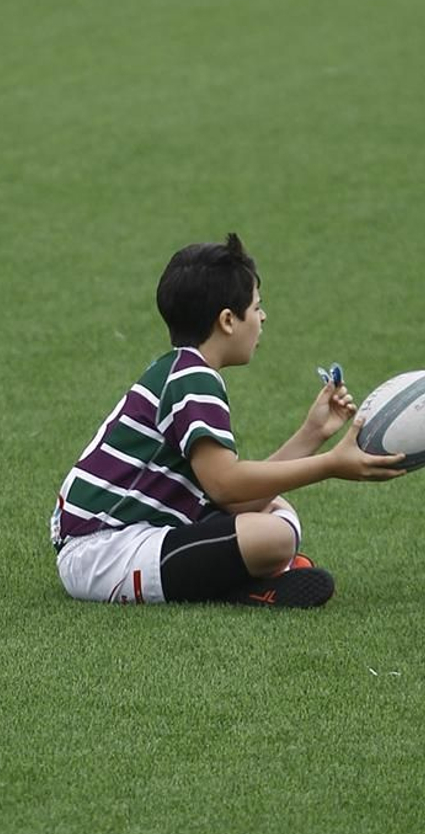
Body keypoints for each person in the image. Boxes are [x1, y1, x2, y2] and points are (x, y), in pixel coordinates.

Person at [51, 233, 405, 610]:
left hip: (120, 542)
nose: (263, 317)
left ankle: (244, 578)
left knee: (275, 511)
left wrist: (312, 432)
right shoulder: (193, 379)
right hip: (102, 553)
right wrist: (331, 465)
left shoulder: (182, 369)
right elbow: (225, 486)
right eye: (256, 307)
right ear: (227, 320)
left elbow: (236, 496)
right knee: (274, 536)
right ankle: (241, 583)